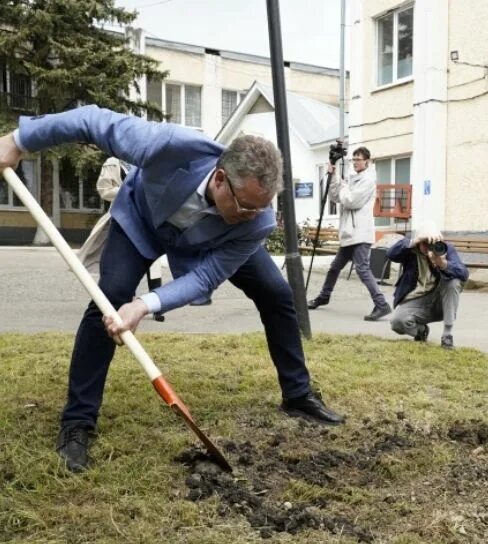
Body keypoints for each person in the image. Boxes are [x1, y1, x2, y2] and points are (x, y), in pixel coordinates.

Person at [0, 105, 344, 473]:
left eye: (261, 209)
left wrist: (145, 305)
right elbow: (92, 121)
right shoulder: (170, 146)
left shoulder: (254, 221)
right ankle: (77, 422)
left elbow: (205, 277)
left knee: (276, 294)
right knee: (111, 300)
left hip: (209, 243)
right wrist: (18, 140)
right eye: (246, 206)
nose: (254, 215)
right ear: (219, 179)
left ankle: (298, 394)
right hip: (141, 223)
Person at [77, 156, 169, 321]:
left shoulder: (146, 160)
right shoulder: (113, 162)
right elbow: (104, 189)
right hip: (123, 218)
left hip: (148, 219)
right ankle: (123, 303)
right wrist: (131, 189)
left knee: (154, 265)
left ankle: (157, 308)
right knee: (124, 265)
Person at [307, 146, 392, 321]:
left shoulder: (368, 181)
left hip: (360, 233)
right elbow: (336, 196)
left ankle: (381, 304)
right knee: (334, 267)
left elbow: (351, 201)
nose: (355, 163)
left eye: (358, 160)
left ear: (367, 161)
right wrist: (334, 176)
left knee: (362, 269)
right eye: (353, 160)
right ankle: (324, 296)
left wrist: (344, 186)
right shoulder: (353, 179)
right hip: (349, 234)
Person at [387, 224, 468, 349]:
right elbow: (391, 254)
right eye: (425, 243)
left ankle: (447, 335)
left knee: (453, 282)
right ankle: (421, 331)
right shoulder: (410, 249)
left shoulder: (445, 249)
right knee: (396, 323)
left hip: (440, 301)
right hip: (418, 298)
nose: (429, 246)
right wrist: (415, 240)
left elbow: (464, 273)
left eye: (432, 243)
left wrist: (443, 264)